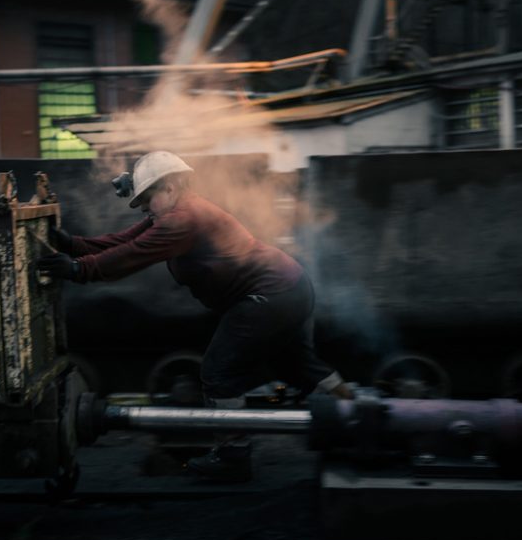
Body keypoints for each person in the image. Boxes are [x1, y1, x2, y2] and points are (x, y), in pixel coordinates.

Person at [37, 151, 352, 482]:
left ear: (171, 187)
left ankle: (234, 457)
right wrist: (73, 245)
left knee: (219, 372)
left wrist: (77, 269)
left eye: (147, 198)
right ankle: (354, 413)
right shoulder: (176, 212)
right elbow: (124, 240)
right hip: (289, 287)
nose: (144, 206)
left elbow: (131, 255)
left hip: (271, 295)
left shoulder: (182, 220)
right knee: (296, 364)